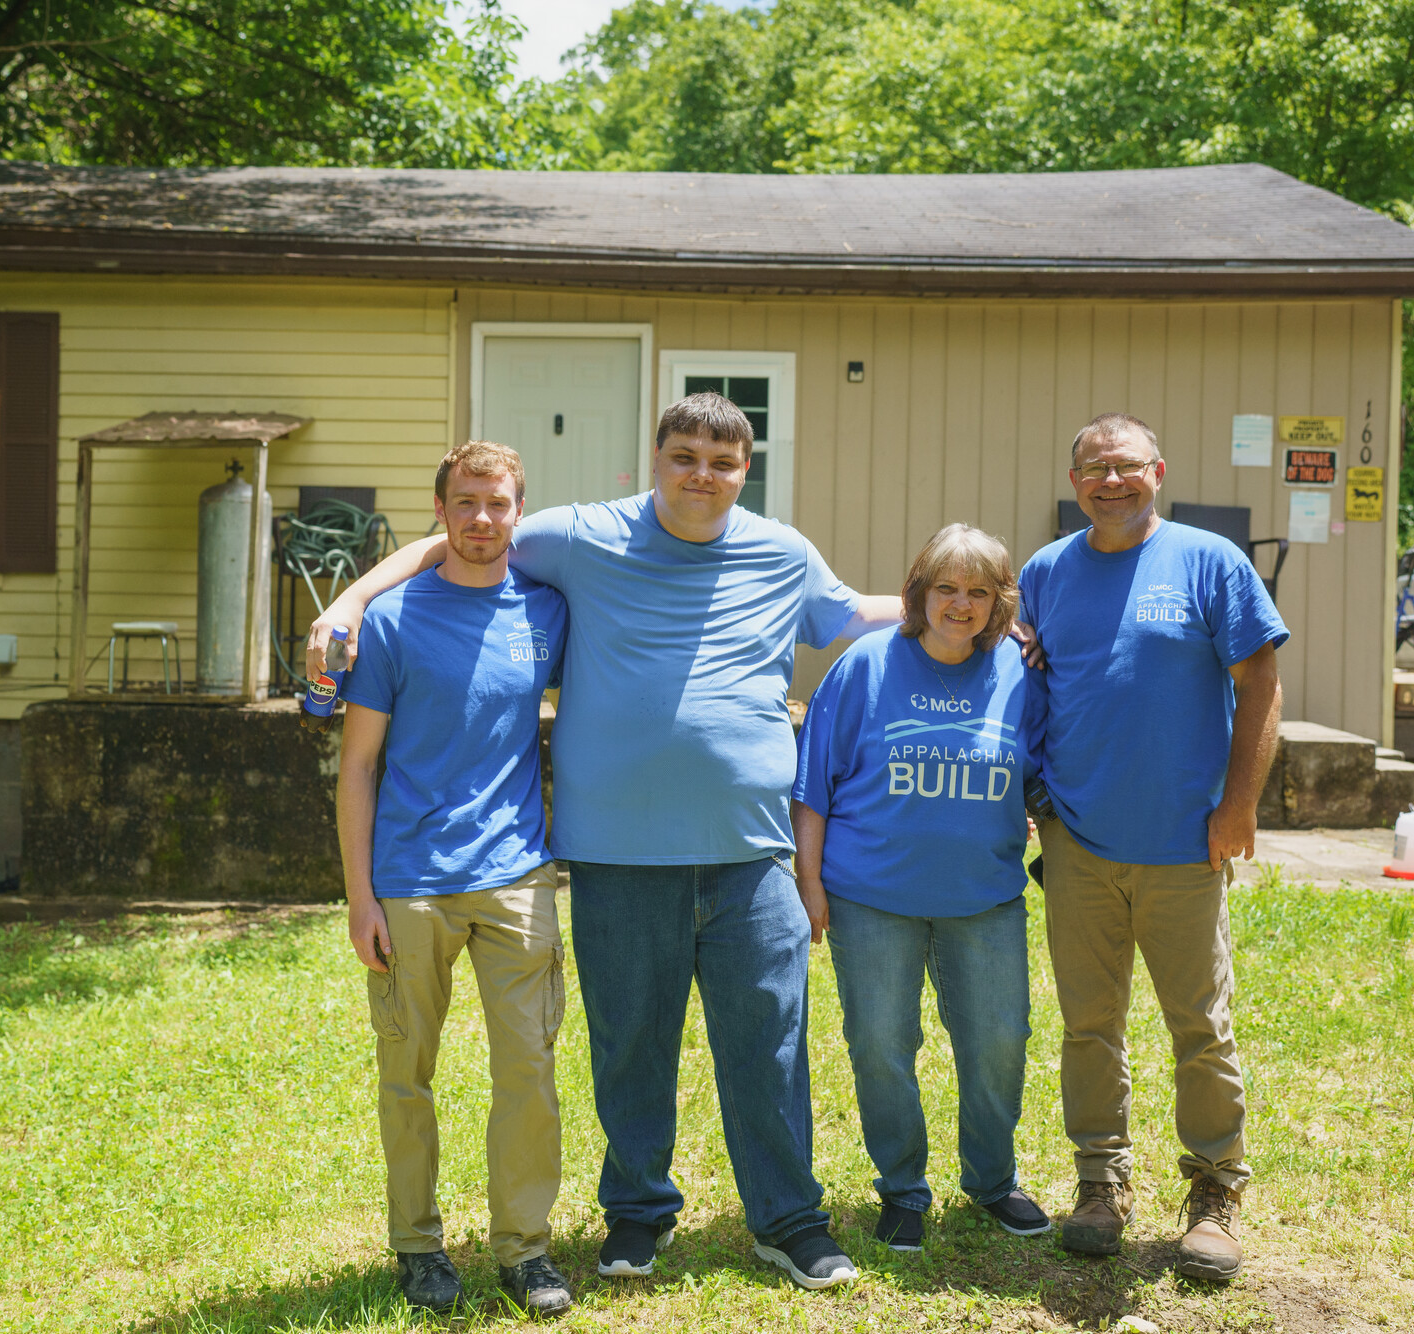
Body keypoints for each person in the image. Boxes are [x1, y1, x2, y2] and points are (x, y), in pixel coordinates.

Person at [315, 394, 908, 1290]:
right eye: (684, 456)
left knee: (770, 1042)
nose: (701, 474)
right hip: (615, 852)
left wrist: (983, 610)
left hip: (750, 849)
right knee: (629, 1043)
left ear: (746, 470)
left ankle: (790, 1219)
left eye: (722, 460)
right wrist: (354, 598)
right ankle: (637, 1214)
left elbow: (855, 615)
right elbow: (462, 539)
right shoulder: (581, 536)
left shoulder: (783, 553)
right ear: (657, 458)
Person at [1018, 412, 1286, 1283]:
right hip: (1079, 844)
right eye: (1093, 468)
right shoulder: (1046, 572)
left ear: (1157, 471)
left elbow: (1261, 684)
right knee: (1088, 1026)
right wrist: (1035, 804)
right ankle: (1101, 1183)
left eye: (1126, 467)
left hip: (1183, 843)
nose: (1110, 482)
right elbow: (1030, 690)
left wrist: (1238, 805)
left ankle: (1214, 1190)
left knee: (1199, 1026)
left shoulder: (1210, 561)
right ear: (1076, 480)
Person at [336, 440, 574, 1315]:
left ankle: (525, 1249)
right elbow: (358, 765)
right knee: (407, 1075)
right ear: (440, 512)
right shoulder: (394, 620)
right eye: (465, 502)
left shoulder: (548, 610)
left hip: (518, 876)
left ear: (519, 512)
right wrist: (361, 896)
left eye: (498, 503)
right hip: (411, 880)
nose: (481, 518)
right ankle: (418, 1247)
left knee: (529, 1071)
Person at [791, 523, 1052, 1255]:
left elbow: (1039, 779)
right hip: (871, 898)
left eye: (978, 592)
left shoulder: (1020, 674)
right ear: (919, 593)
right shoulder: (867, 665)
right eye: (946, 588)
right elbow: (814, 787)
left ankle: (993, 1182)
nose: (960, 605)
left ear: (999, 602)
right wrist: (809, 883)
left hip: (985, 899)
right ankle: (902, 1187)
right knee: (880, 1045)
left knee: (999, 1043)